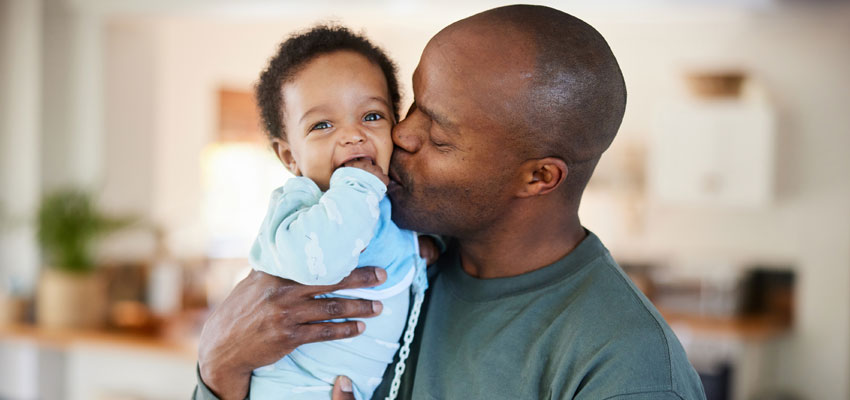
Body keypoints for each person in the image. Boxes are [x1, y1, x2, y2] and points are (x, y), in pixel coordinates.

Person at [195, 5, 707, 400]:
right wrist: (220, 367)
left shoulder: (623, 365)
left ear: (537, 176)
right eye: (412, 105)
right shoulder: (389, 253)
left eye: (440, 135)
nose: (399, 135)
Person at [244, 26, 438, 400]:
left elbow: (382, 240)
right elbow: (321, 261)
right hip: (296, 388)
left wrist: (419, 249)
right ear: (289, 156)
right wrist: (359, 185)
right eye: (322, 125)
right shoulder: (300, 204)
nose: (352, 135)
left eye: (372, 116)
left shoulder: (387, 202)